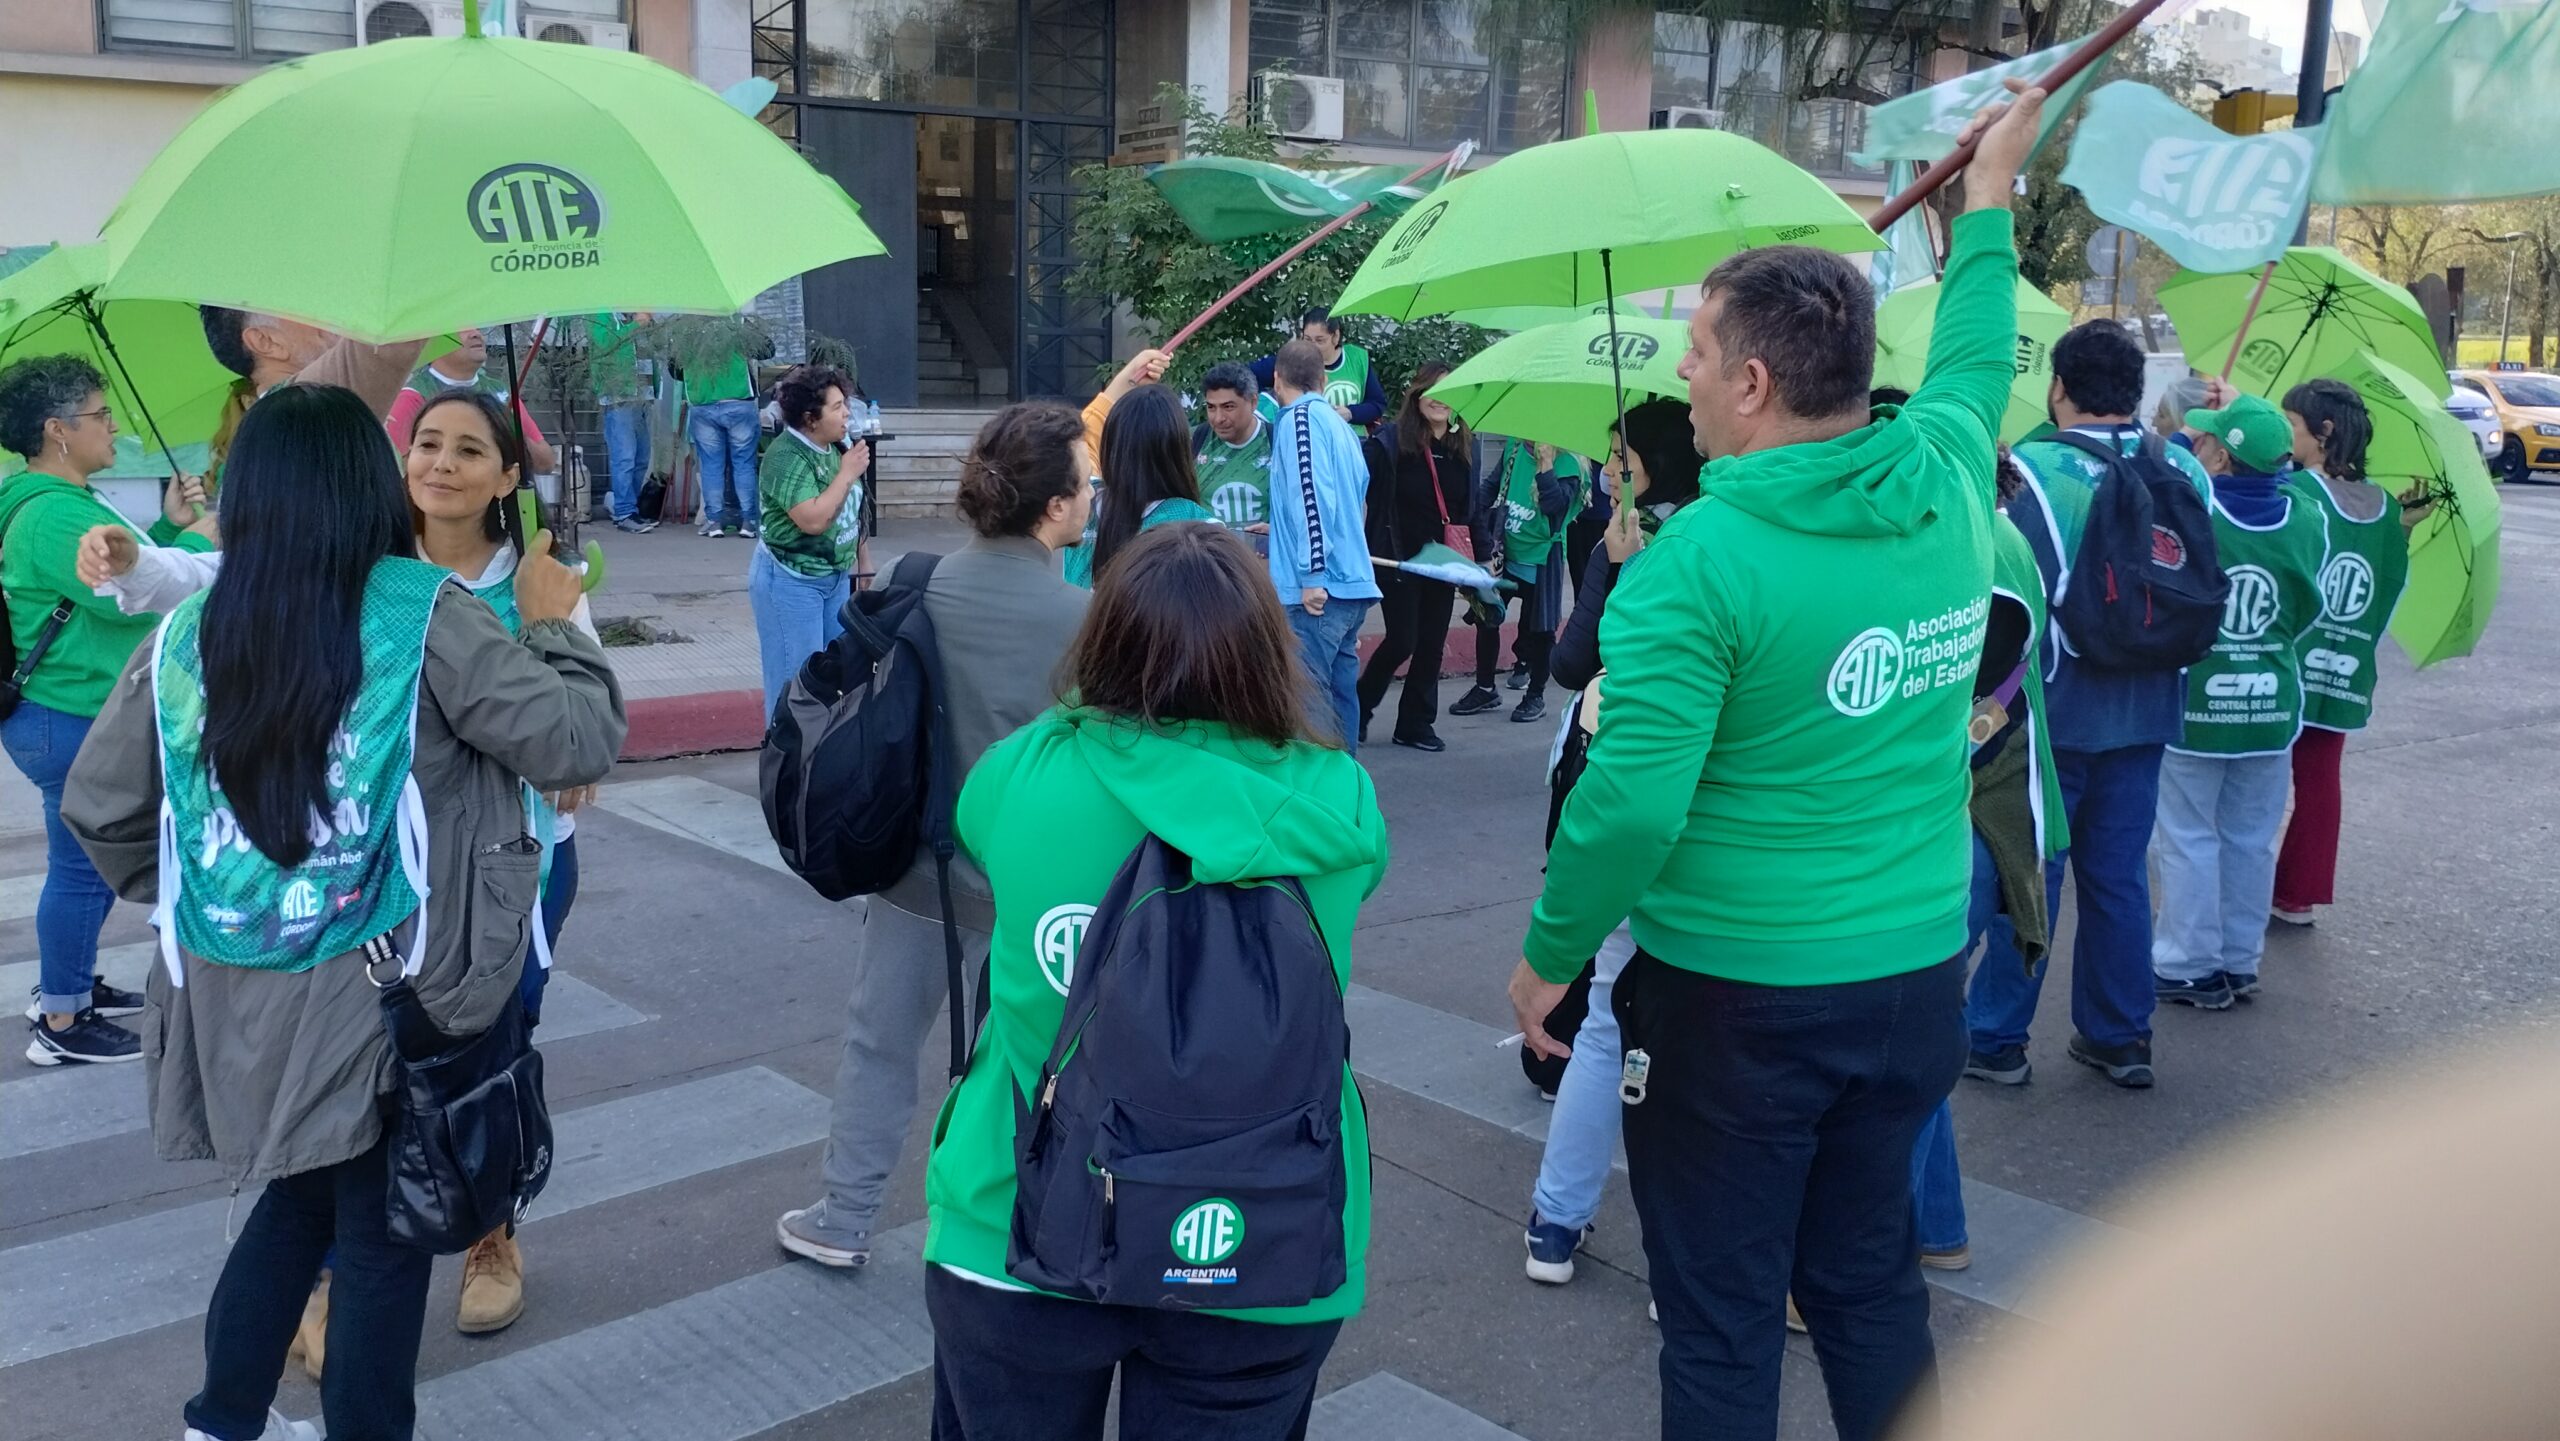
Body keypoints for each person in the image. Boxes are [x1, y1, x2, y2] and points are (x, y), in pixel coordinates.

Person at [1504, 84, 2044, 1441]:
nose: (1682, 376)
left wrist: (1551, 953)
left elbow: (1631, 805)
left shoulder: (1694, 567)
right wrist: (1989, 200)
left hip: (1737, 1004)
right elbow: (1976, 350)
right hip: (1910, 981)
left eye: (1696, 353)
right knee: (1868, 1289)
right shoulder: (1946, 469)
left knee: (1722, 1319)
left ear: (1751, 383)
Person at [60, 382, 623, 1441]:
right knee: (380, 1238)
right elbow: (575, 741)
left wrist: (230, 900)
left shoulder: (191, 631)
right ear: (370, 484)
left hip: (235, 989)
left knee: (294, 1202)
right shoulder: (424, 612)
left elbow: (103, 808)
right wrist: (553, 624)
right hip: (389, 993)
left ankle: (222, 1420)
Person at [922, 522, 1387, 1439]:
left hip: (1020, 1218)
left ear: (1104, 640)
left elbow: (977, 829)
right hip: (1263, 1232)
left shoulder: (1026, 775)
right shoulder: (1337, 799)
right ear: (1268, 653)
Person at [775, 401, 1094, 1272]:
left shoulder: (911, 580)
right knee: (1036, 1060)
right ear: (1055, 506)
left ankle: (844, 1217)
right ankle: (1023, 1228)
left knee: (880, 1042)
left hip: (915, 870)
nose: (1090, 496)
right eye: (1083, 484)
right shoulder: (1087, 618)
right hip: (1036, 889)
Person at [1961, 320, 2216, 1091]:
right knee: (2119, 876)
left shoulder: (2031, 471)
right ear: (2135, 390)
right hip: (2150, 706)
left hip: (2052, 713)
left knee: (2029, 874)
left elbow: (2007, 591)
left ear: (2059, 387)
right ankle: (2120, 1034)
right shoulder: (2182, 467)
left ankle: (1997, 1036)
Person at [1520, 397, 1704, 1285]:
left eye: (1618, 456)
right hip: (1710, 821)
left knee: (1605, 1019)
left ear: (1651, 463)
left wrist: (1613, 567)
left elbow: (1572, 664)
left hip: (1627, 795)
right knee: (1701, 1042)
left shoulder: (1646, 544)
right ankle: (1680, 1266)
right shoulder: (1724, 539)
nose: (1606, 469)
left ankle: (1555, 1224)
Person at [0, 356, 213, 1060]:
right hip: (70, 714)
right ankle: (62, 1022)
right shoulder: (54, 513)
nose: (113, 426)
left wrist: (170, 529)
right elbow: (130, 602)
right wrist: (200, 540)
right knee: (80, 869)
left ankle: (69, 986)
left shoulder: (62, 499)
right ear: (57, 430)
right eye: (100, 414)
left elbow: (131, 573)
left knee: (82, 864)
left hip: (66, 711)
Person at [1909, 445, 2070, 1277]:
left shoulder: (1979, 547)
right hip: (1986, 812)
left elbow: (1972, 699)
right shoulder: (1989, 534)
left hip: (1976, 817)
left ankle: (1883, 1247)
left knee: (1902, 1040)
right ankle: (1938, 1226)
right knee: (1915, 1039)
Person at [2151, 392, 2328, 1011]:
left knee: (2187, 837)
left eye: (2208, 440)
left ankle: (2188, 964)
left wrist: (2183, 440)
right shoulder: (2306, 517)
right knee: (2251, 839)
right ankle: (2238, 958)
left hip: (2198, 703)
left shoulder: (2195, 510)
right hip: (2272, 704)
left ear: (2222, 458)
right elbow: (2308, 611)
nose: (2197, 444)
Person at [2272, 379, 2405, 926]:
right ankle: (2297, 894)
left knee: (2255, 784)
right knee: (2321, 779)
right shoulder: (2387, 508)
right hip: (2345, 664)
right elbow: (2388, 587)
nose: (2285, 434)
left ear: (2323, 432)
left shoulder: (2295, 491)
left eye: (2291, 424)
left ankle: (2241, 888)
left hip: (2286, 658)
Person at [1267, 338, 1380, 754]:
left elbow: (1311, 495)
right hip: (1350, 582)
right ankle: (1346, 785)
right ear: (1324, 379)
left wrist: (1313, 573)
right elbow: (1356, 499)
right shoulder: (1341, 427)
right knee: (1341, 698)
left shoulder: (1298, 419)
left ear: (1277, 379)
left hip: (1319, 589)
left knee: (1310, 703)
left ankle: (1317, 789)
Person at [1355, 361, 1472, 752]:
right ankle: (1359, 707)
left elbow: (1469, 510)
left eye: (1449, 392)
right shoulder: (1391, 442)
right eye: (1432, 391)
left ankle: (1415, 724)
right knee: (1403, 639)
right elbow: (1353, 482)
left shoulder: (1461, 448)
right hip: (1398, 560)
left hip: (1443, 563)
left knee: (1431, 645)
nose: (1439, 400)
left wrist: (1481, 557)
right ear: (1417, 395)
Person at [748, 364, 872, 713]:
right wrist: (847, 473)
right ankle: (784, 748)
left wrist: (864, 563)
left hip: (834, 578)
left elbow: (853, 508)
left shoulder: (837, 447)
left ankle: (821, 746)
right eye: (837, 407)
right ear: (810, 418)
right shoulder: (785, 456)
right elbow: (813, 520)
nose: (847, 413)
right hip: (791, 581)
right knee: (796, 686)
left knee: (833, 679)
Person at [1450, 438, 1583, 725]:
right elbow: (1490, 488)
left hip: (1542, 558)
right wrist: (1468, 520)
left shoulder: (1569, 464)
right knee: (1487, 615)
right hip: (1505, 553)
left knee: (1541, 630)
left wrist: (1546, 466)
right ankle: (1485, 688)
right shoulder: (1513, 448)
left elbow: (1554, 507)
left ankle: (1535, 695)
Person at [1082, 383, 1216, 582]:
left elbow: (1085, 431)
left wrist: (1130, 374)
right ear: (1179, 449)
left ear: (1111, 445)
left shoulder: (1080, 502)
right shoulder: (1201, 526)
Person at [383, 327, 557, 476]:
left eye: (477, 328)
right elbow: (409, 471)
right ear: (433, 342)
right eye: (461, 329)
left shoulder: (501, 392)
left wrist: (508, 429)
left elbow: (545, 463)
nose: (475, 334)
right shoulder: (413, 397)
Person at [674, 322, 774, 538]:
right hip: (738, 400)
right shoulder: (737, 324)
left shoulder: (685, 330)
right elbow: (767, 350)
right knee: (744, 464)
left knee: (711, 465)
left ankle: (714, 522)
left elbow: (676, 371)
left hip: (702, 402)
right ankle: (748, 522)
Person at [1250, 308, 1387, 430]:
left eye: (1320, 340)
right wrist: (1269, 407)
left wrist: (1351, 413)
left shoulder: (1357, 358)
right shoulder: (1294, 359)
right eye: (1307, 339)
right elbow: (1247, 376)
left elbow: (1377, 404)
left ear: (1336, 336)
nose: (1312, 346)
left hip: (1354, 439)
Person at [588, 312, 658, 534]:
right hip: (618, 397)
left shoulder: (634, 316)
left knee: (641, 458)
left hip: (642, 396)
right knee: (624, 458)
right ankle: (624, 513)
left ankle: (630, 509)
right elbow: (606, 344)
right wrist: (636, 324)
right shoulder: (601, 314)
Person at [1194, 362, 1273, 533]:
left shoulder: (1277, 441)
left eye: (1228, 407)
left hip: (1262, 550)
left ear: (1253, 402)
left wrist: (1277, 532)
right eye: (1211, 407)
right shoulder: (1194, 441)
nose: (1218, 418)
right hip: (1209, 549)